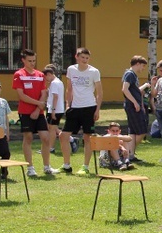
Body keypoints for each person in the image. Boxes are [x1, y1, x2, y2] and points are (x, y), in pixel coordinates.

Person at [12, 49, 58, 177]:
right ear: (23, 60)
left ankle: (47, 166)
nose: (32, 63)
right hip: (25, 112)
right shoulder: (18, 74)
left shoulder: (40, 75)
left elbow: (44, 93)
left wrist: (38, 109)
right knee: (29, 138)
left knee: (46, 138)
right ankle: (30, 167)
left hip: (39, 112)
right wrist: (37, 104)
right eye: (29, 61)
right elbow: (21, 95)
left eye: (34, 60)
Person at [59, 47, 103, 176]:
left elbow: (99, 92)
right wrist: (68, 104)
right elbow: (69, 88)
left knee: (87, 137)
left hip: (89, 107)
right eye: (82, 57)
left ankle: (85, 166)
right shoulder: (71, 69)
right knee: (63, 136)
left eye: (87, 58)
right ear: (76, 57)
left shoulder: (94, 71)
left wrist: (97, 109)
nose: (84, 60)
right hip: (74, 108)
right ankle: (66, 165)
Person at [121, 55, 150, 163]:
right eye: (142, 66)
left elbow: (135, 90)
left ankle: (130, 155)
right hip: (132, 106)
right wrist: (134, 102)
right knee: (142, 131)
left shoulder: (133, 75)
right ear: (137, 64)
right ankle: (128, 151)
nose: (143, 69)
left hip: (134, 105)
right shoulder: (130, 74)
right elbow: (125, 89)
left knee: (133, 131)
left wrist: (144, 86)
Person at [43, 65, 65, 154]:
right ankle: (70, 139)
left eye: (46, 77)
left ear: (49, 74)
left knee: (51, 129)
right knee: (52, 127)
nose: (46, 80)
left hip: (55, 109)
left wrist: (53, 110)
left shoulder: (54, 83)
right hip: (56, 109)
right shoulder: (58, 82)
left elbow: (55, 97)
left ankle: (50, 147)